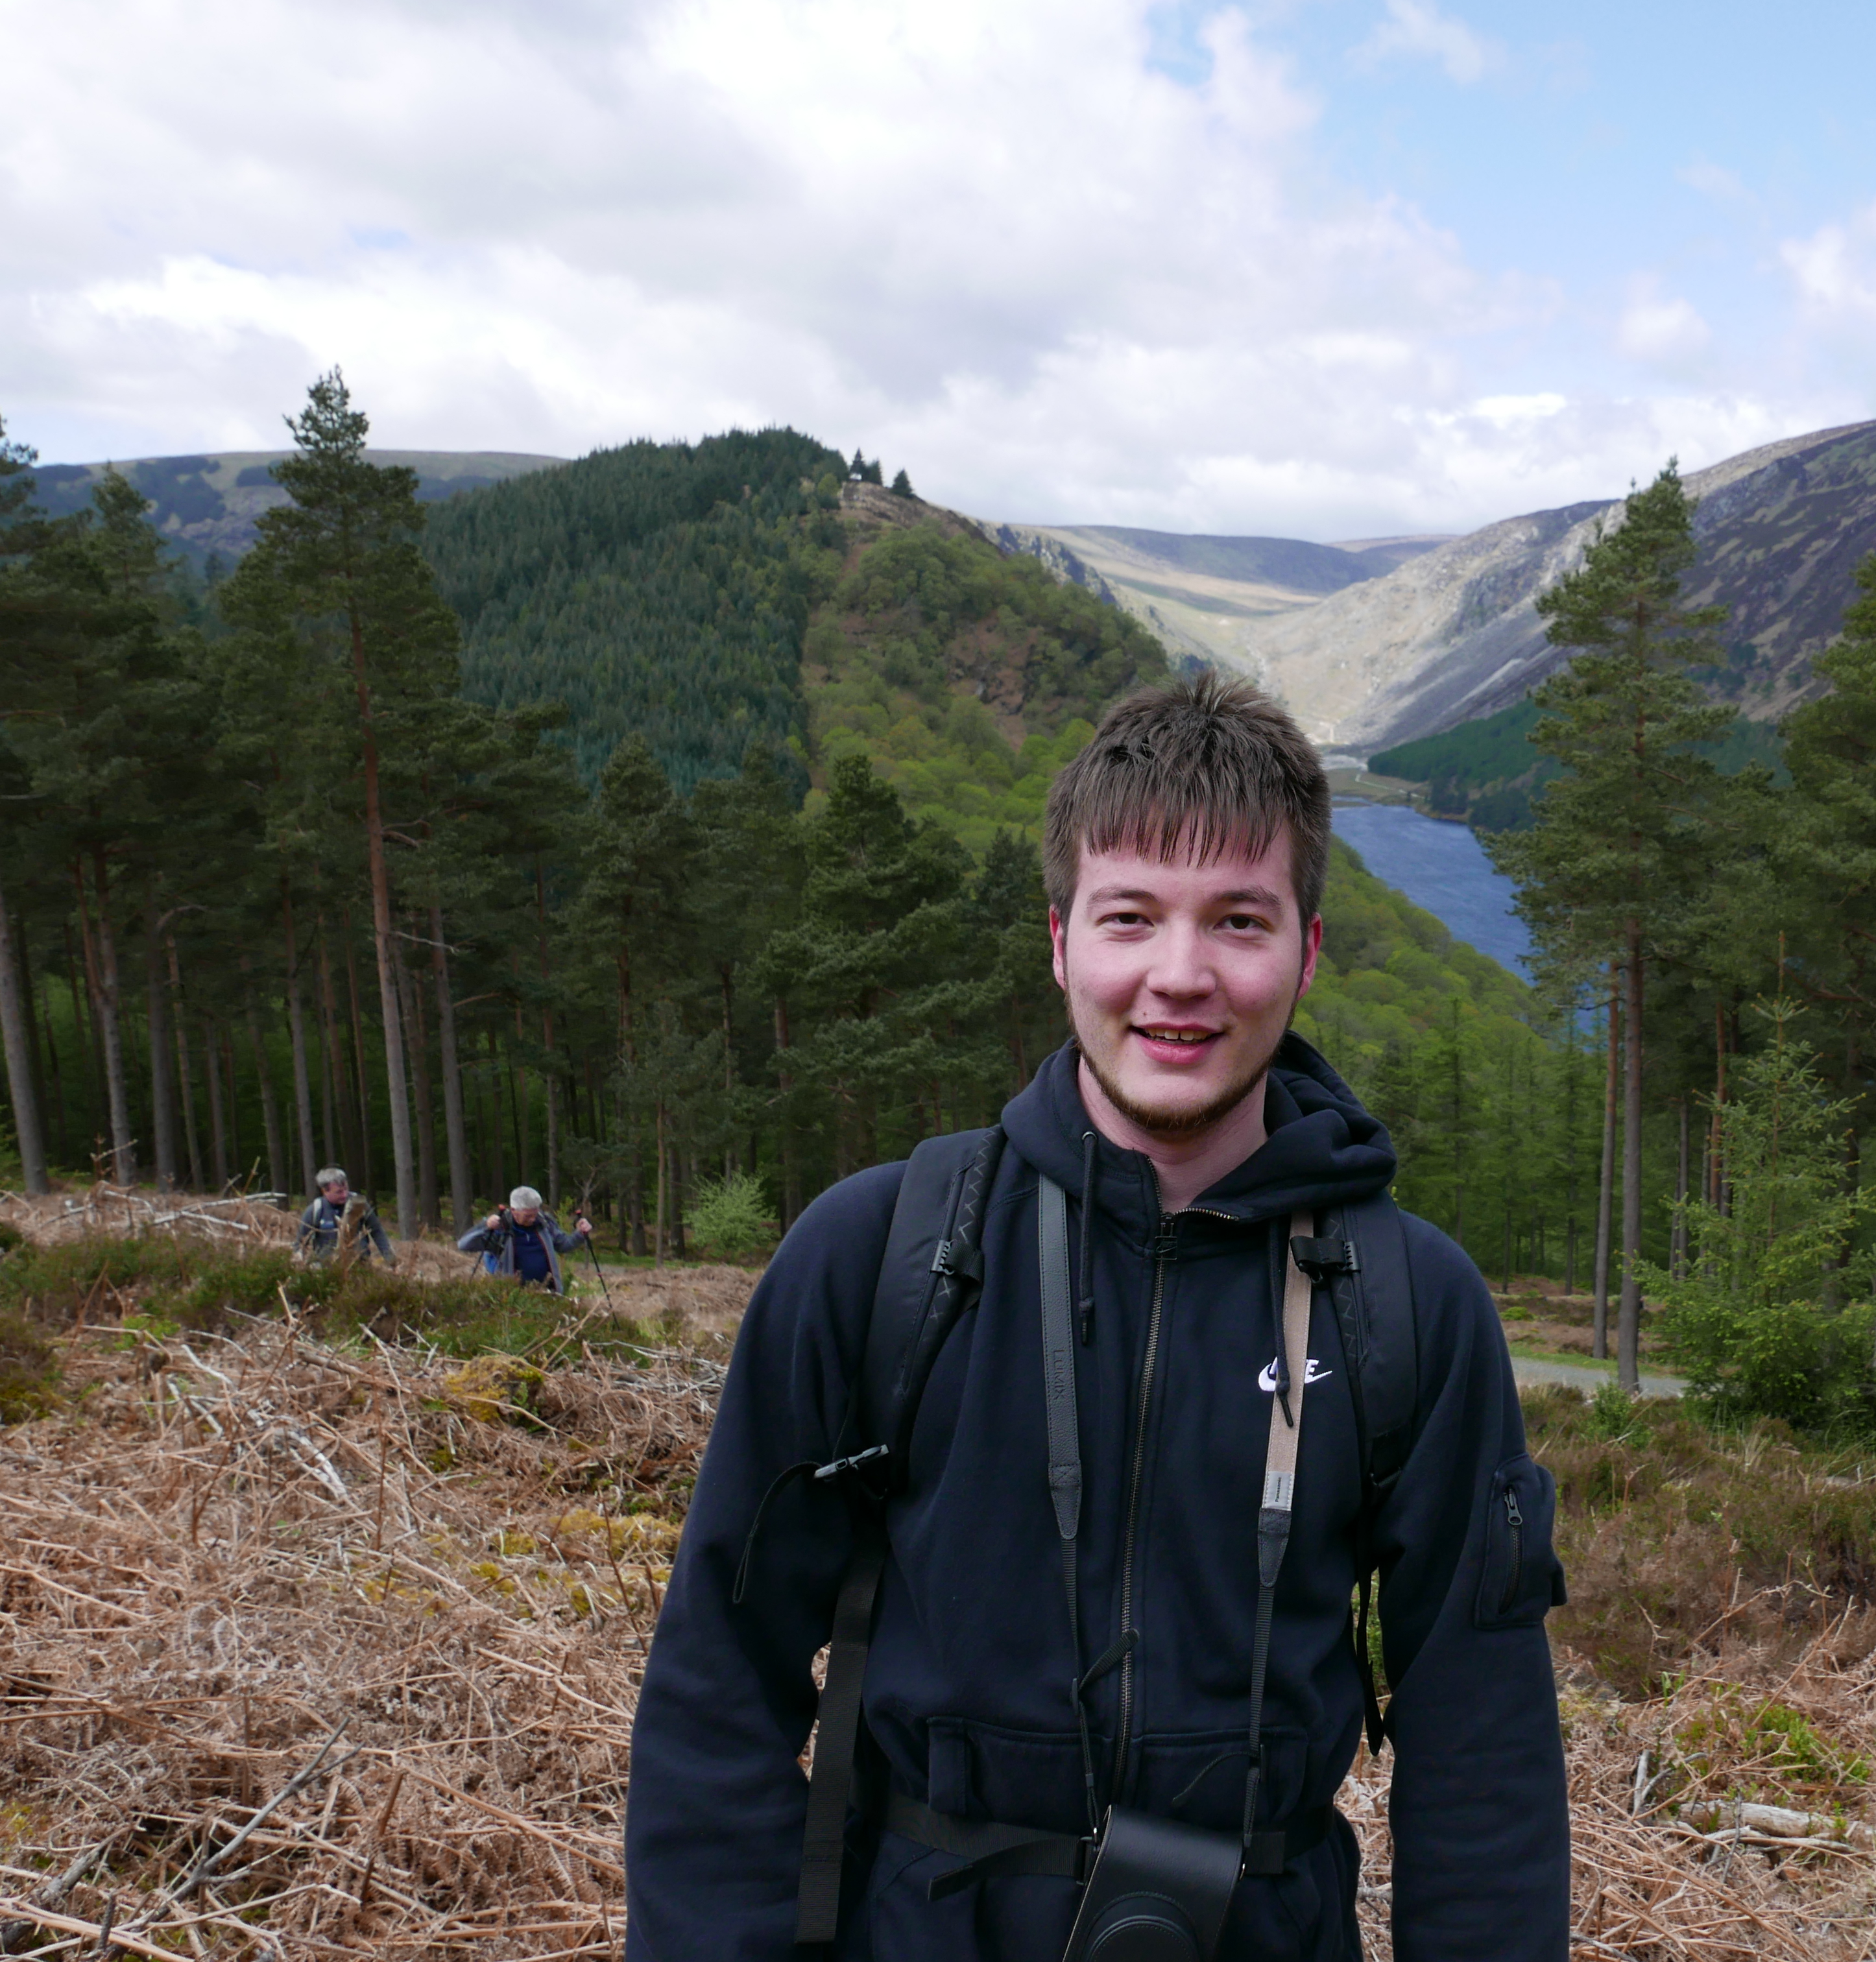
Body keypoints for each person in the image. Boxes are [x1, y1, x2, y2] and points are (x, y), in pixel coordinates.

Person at [625, 675, 1569, 1961]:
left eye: (1238, 918)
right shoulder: (882, 1256)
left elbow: (1483, 1749)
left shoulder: (1409, 1305)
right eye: (1131, 917)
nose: (1178, 976)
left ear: (1307, 949)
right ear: (1062, 939)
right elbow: (715, 1687)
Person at [456, 1186, 594, 1290]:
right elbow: (464, 1245)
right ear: (514, 1211)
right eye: (528, 1216)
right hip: (512, 1295)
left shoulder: (544, 1222)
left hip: (547, 1292)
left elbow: (563, 1245)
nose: (533, 1219)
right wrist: (485, 1226)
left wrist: (580, 1234)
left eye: (535, 1213)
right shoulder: (501, 1229)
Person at [291, 1167, 393, 1263]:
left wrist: (390, 1259)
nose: (344, 1195)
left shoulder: (359, 1204)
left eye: (346, 1189)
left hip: (359, 1265)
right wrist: (299, 1260)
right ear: (325, 1191)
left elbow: (377, 1231)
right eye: (339, 1192)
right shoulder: (315, 1210)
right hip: (327, 1268)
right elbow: (301, 1242)